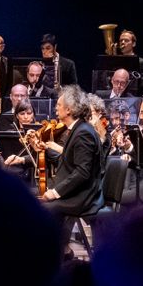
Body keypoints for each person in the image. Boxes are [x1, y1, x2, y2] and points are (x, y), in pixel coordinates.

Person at [36, 85, 102, 227]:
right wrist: (46, 150)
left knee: (39, 209)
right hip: (76, 192)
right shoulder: (77, 129)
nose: (56, 108)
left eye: (59, 105)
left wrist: (55, 192)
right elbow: (67, 160)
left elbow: (82, 172)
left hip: (83, 197)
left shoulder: (83, 133)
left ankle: (57, 241)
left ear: (69, 110)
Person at [117, 29, 143, 95]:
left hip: (134, 95)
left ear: (133, 44)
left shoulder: (141, 62)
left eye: (126, 40)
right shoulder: (115, 61)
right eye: (121, 40)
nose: (122, 42)